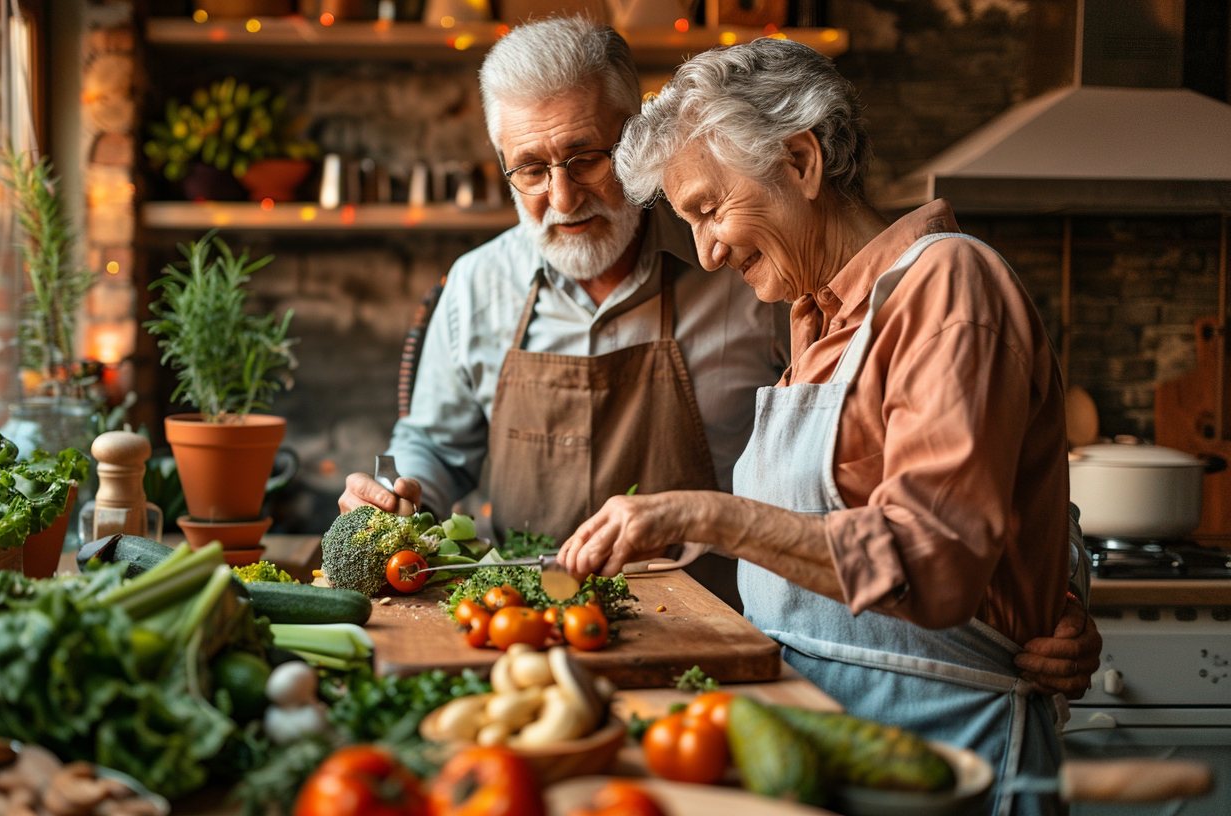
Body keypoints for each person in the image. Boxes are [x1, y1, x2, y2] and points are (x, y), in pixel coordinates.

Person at [338, 18, 1099, 705]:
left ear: (800, 162)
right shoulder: (810, 307)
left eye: (585, 158)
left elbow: (977, 501)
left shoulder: (810, 283)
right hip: (553, 645)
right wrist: (393, 490)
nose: (561, 196)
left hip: (728, 660)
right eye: (530, 170)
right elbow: (965, 485)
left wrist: (1050, 594)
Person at [560, 38, 1091, 814]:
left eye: (709, 209)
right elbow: (1014, 508)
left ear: (801, 162)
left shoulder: (948, 286)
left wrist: (703, 514)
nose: (707, 254)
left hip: (946, 758)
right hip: (818, 742)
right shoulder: (816, 319)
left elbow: (937, 563)